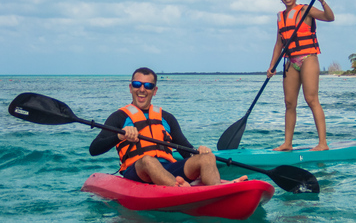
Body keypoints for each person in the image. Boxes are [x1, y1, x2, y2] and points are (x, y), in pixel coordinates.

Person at [89, 67, 246, 187]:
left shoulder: (167, 118)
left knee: (207, 158)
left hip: (168, 169)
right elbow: (94, 149)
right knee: (148, 161)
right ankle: (181, 190)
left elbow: (187, 151)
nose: (142, 89)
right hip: (138, 171)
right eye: (137, 84)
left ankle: (218, 191)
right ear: (131, 88)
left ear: (154, 91)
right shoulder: (119, 117)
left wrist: (201, 152)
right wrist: (119, 136)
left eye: (148, 86)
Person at [267, 0, 334, 152]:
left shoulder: (306, 9)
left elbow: (329, 17)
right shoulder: (280, 17)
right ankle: (287, 143)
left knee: (311, 99)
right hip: (290, 62)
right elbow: (278, 44)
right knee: (289, 103)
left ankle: (322, 143)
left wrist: (322, 1)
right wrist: (272, 66)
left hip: (308, 58)